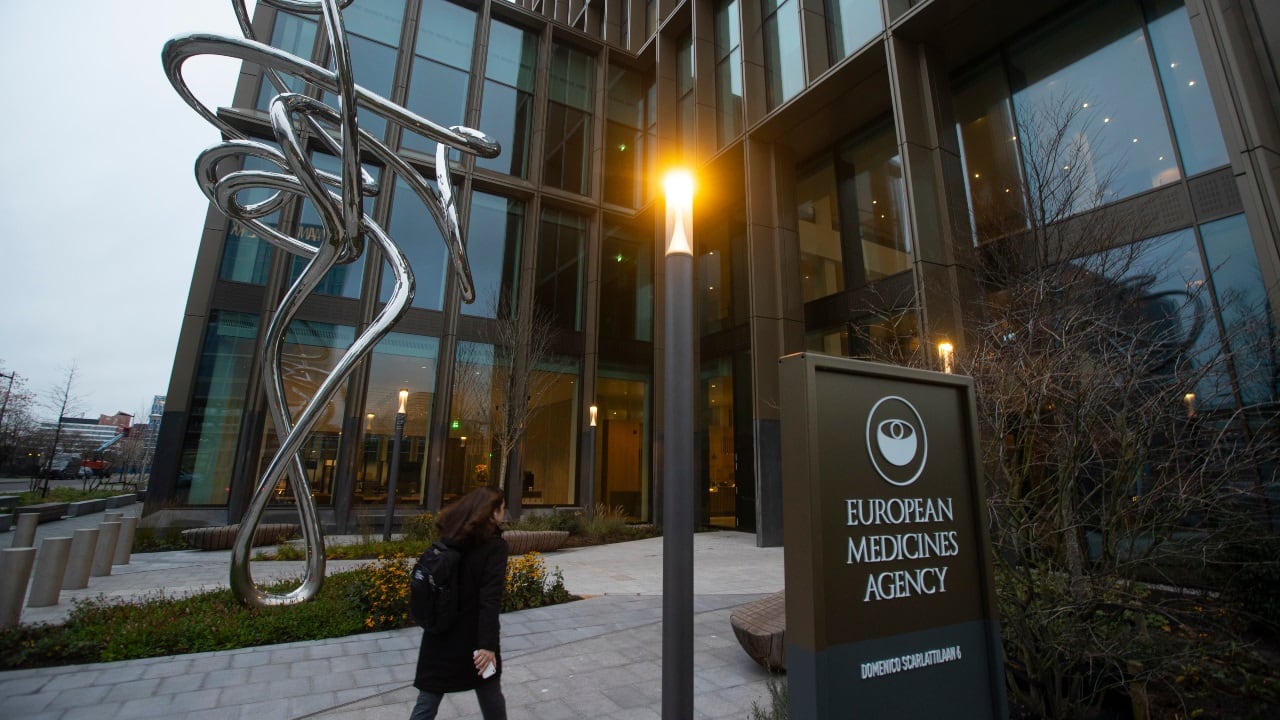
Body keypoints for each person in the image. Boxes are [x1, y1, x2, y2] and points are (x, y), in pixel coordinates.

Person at [410, 486, 509, 720]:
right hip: (472, 636)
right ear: (493, 513)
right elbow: (489, 599)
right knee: (490, 692)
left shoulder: (451, 538)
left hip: (440, 631)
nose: (504, 514)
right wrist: (487, 644)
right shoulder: (494, 547)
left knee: (429, 696)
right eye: (502, 509)